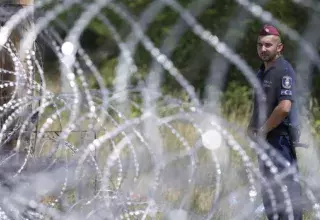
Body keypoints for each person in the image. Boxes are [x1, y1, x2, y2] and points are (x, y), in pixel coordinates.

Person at [247, 24, 302, 219]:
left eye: (268, 45)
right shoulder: (261, 71)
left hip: (279, 141)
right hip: (265, 142)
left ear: (279, 48)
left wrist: (262, 130)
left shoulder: (283, 70)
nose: (263, 49)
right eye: (260, 45)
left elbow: (284, 107)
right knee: (270, 197)